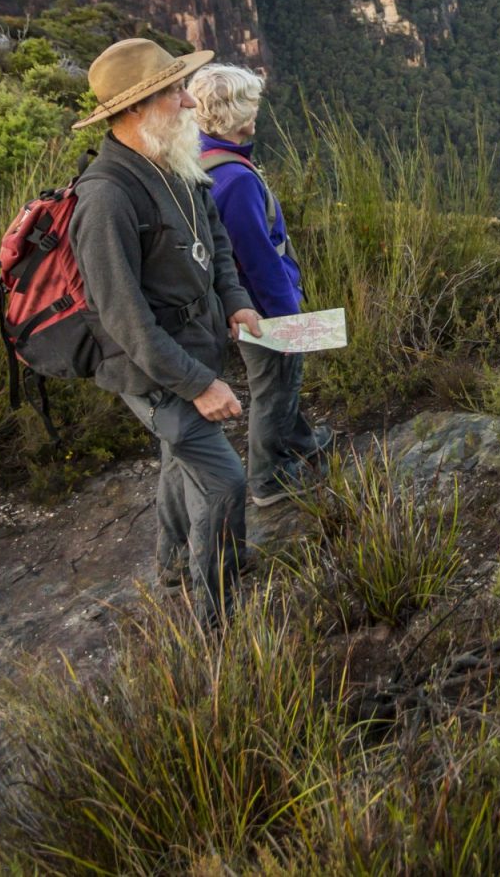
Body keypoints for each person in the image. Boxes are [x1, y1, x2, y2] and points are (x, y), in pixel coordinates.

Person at [68, 38, 263, 623]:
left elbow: (217, 239)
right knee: (226, 482)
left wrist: (235, 301)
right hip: (155, 373)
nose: (187, 102)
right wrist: (199, 385)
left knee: (181, 459)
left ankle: (175, 562)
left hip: (192, 346)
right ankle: (217, 617)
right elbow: (125, 317)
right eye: (173, 92)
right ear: (134, 109)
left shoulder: (174, 159)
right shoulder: (105, 198)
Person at [187, 63, 331, 506]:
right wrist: (288, 312)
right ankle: (270, 479)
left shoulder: (197, 157)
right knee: (275, 385)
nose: (257, 112)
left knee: (281, 380)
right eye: (252, 104)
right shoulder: (236, 180)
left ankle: (303, 441)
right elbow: (258, 258)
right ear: (237, 115)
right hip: (262, 308)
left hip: (237, 303)